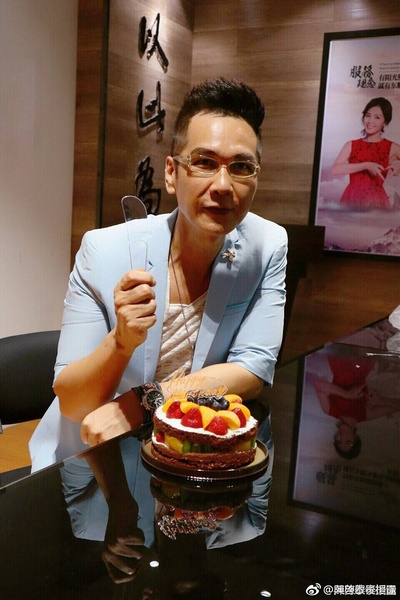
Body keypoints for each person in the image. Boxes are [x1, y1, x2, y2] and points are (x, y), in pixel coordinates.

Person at [29, 78, 287, 543]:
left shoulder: (268, 246)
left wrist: (142, 403)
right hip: (91, 458)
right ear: (172, 173)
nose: (222, 185)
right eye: (204, 162)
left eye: (241, 167)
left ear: (256, 178)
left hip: (195, 466)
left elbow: (254, 367)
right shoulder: (103, 251)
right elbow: (75, 404)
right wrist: (121, 341)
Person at [314, 348, 400, 460]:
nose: (342, 436)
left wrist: (346, 394)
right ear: (356, 437)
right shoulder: (365, 414)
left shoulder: (330, 410)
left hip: (339, 359)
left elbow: (318, 384)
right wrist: (380, 401)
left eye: (339, 441)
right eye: (348, 441)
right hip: (362, 362)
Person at [331, 97, 400, 209]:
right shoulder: (351, 145)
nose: (370, 121)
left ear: (385, 122)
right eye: (367, 115)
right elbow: (335, 169)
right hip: (351, 199)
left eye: (377, 117)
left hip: (377, 203)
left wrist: (399, 165)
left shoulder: (391, 147)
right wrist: (366, 165)